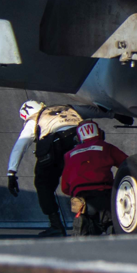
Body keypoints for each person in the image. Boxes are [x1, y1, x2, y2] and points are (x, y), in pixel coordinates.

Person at [7, 101, 84, 237]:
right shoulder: (67, 107)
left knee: (43, 184)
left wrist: (11, 173)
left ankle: (56, 225)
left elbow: (20, 145)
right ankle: (88, 220)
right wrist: (113, 114)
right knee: (82, 181)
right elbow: (93, 110)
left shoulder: (34, 120)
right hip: (81, 140)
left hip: (57, 145)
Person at [59, 121, 127, 236]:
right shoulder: (106, 147)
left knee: (83, 218)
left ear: (78, 138)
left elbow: (65, 187)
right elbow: (127, 163)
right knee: (110, 222)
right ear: (100, 134)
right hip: (104, 193)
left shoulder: (68, 155)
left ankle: (81, 222)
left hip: (79, 196)